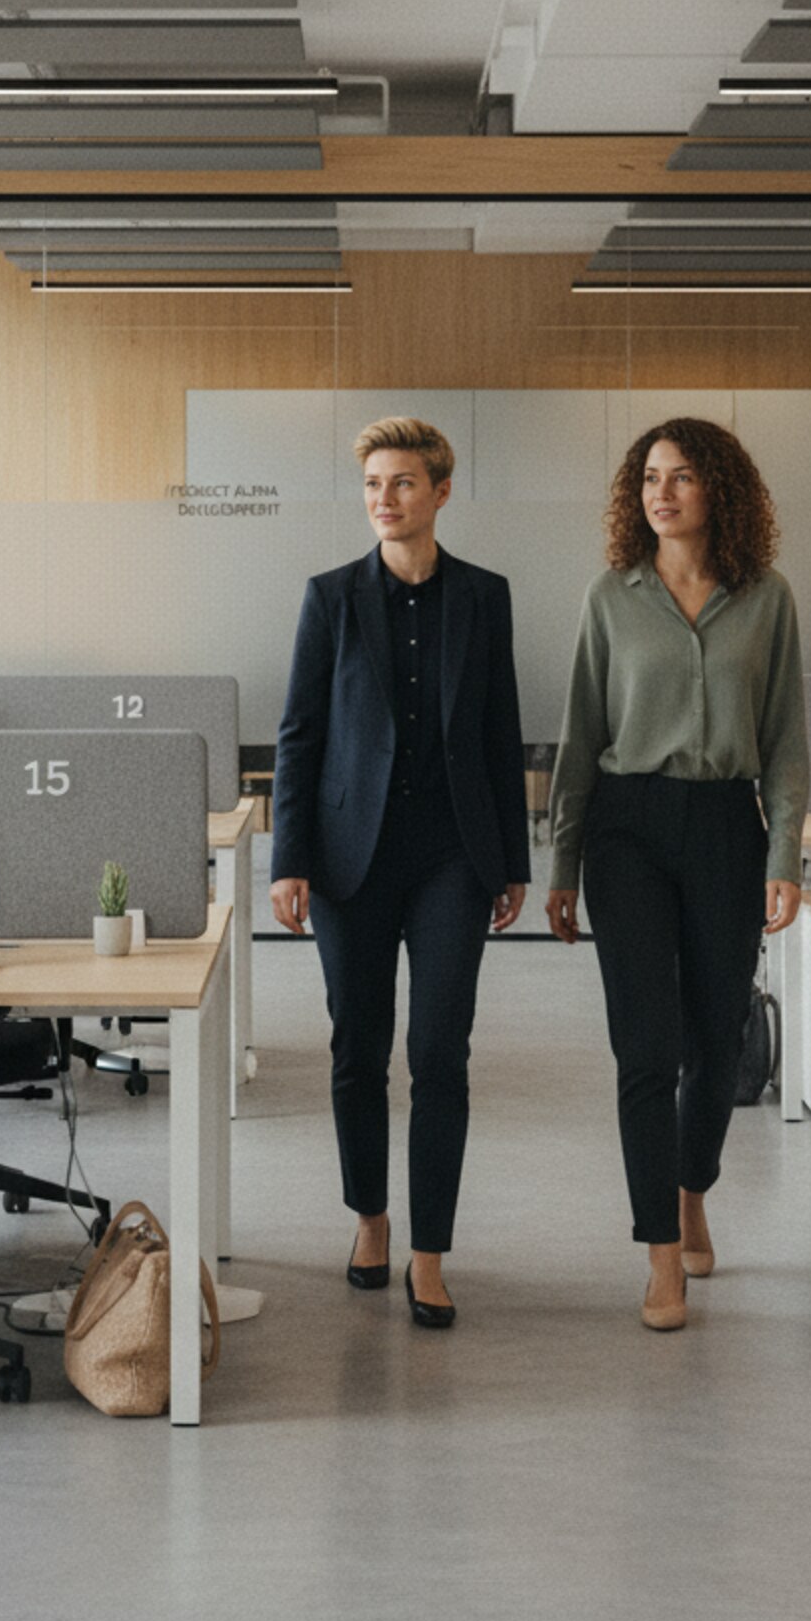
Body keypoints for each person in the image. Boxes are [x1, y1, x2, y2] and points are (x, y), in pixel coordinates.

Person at [545, 417, 808, 1332]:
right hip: (628, 829)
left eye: (683, 477)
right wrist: (563, 862)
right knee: (647, 1049)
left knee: (719, 1043)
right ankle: (661, 1250)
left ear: (719, 493)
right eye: (650, 477)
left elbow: (784, 742)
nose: (662, 492)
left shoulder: (766, 598)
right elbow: (580, 737)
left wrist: (785, 857)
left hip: (727, 827)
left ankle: (694, 1185)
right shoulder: (610, 598)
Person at [271, 417, 529, 1329]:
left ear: (441, 492)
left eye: (404, 483)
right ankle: (371, 1219)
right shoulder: (331, 598)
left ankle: (431, 1252)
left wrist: (512, 861)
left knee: (439, 1054)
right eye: (375, 484)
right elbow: (299, 736)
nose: (385, 498)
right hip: (352, 858)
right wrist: (288, 859)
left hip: (454, 857)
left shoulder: (483, 597)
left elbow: (501, 731)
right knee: (357, 1049)